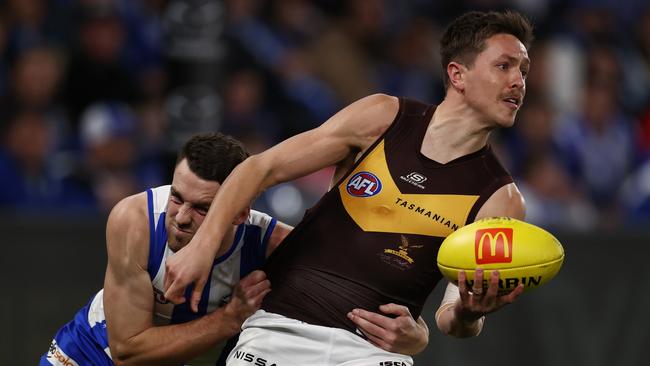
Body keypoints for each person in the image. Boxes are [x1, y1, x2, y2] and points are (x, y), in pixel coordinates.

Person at [164, 10, 533, 366]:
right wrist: (202, 245)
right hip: (279, 327)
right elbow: (261, 168)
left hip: (371, 353)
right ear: (458, 75)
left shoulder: (502, 199)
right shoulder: (384, 118)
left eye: (524, 71)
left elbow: (449, 317)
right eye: (504, 66)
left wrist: (468, 315)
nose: (519, 81)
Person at [40, 133, 429, 366]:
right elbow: (128, 352)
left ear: (238, 212)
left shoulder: (274, 244)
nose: (180, 217)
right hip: (90, 356)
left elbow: (356, 290)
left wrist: (418, 337)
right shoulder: (135, 220)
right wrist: (230, 318)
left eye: (203, 208)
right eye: (177, 197)